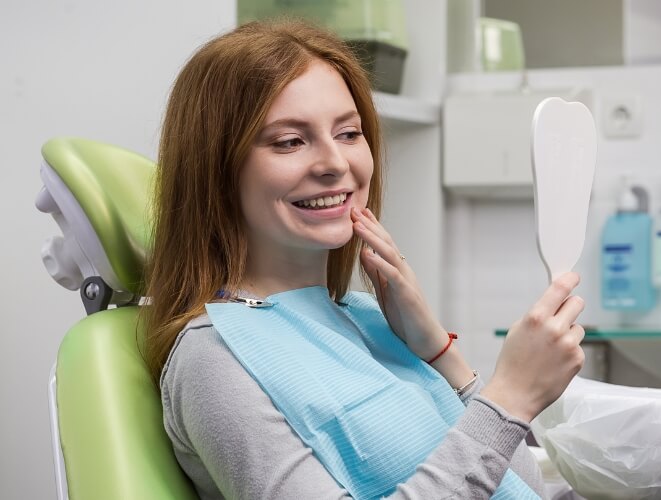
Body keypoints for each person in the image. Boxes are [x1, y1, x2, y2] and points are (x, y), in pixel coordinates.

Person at [143, 19, 585, 500]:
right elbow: (497, 435)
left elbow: (520, 487)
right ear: (216, 169)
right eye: (290, 140)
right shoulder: (213, 359)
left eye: (349, 133)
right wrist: (510, 397)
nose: (336, 163)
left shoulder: (370, 316)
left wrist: (438, 350)